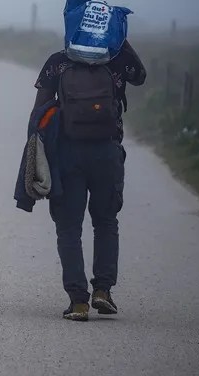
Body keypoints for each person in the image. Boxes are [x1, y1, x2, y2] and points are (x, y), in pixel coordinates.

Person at [31, 38, 146, 321]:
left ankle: (78, 301)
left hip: (69, 153)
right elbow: (140, 77)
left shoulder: (58, 61)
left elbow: (39, 112)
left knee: (69, 227)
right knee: (106, 221)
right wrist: (122, 43)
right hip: (107, 151)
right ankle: (103, 291)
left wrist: (35, 155)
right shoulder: (116, 61)